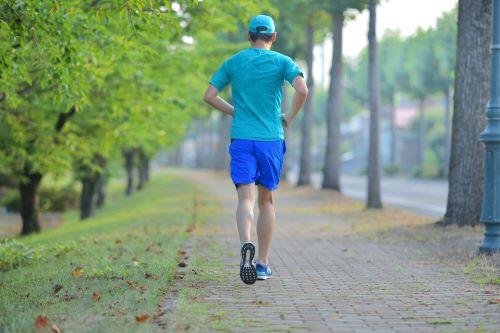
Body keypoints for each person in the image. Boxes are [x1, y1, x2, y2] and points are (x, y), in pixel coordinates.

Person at [203, 15, 308, 285]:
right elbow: (302, 90)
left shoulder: (234, 62)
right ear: (273, 37)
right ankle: (262, 264)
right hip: (270, 139)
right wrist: (289, 117)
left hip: (242, 138)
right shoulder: (283, 62)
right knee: (266, 201)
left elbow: (210, 96)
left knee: (245, 200)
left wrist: (234, 111)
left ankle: (245, 245)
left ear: (249, 36)